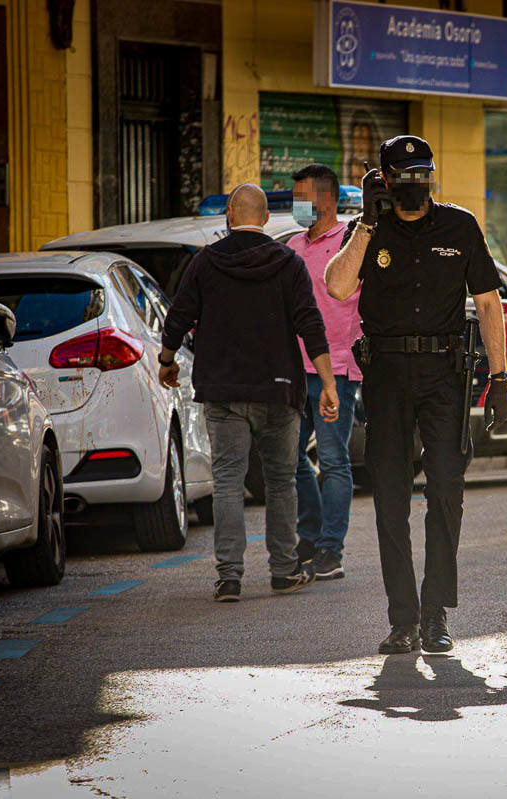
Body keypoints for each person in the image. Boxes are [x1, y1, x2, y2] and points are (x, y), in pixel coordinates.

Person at [324, 135, 507, 655]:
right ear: (383, 180)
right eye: (403, 176)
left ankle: (435, 614)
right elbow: (337, 286)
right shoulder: (370, 228)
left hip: (444, 374)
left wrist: (499, 379)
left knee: (446, 489)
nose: (414, 184)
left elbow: (488, 302)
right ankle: (402, 620)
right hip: (386, 375)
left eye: (421, 174)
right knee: (390, 498)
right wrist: (366, 223)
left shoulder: (460, 226)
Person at [158, 183, 339, 603]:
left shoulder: (206, 262)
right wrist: (328, 383)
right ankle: (284, 570)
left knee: (227, 483)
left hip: (223, 393)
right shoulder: (289, 263)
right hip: (279, 391)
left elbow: (178, 316)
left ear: (229, 217)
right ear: (264, 219)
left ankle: (229, 578)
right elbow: (310, 323)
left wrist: (167, 360)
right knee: (280, 483)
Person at [287, 163, 359, 581]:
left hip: (336, 369)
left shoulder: (350, 242)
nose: (297, 206)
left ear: (327, 200)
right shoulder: (293, 246)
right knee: (291, 457)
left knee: (333, 460)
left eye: (304, 198)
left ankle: (331, 550)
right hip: (293, 370)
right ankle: (310, 538)